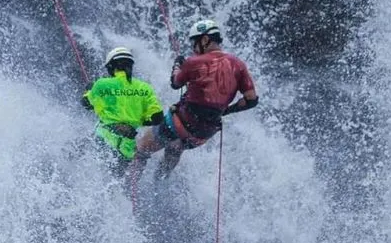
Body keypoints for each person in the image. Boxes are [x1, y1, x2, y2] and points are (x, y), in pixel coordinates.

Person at [135, 19, 258, 179]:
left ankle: (129, 188)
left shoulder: (194, 62)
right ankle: (160, 182)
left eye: (194, 43)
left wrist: (177, 65)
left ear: (205, 39)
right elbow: (251, 99)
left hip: (180, 122)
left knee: (141, 149)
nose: (193, 48)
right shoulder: (238, 64)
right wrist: (225, 111)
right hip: (204, 133)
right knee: (175, 146)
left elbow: (175, 83)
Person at [81, 47, 164, 177]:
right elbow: (157, 117)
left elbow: (86, 103)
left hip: (102, 140)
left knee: (75, 153)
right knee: (113, 181)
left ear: (111, 67)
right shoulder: (145, 88)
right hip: (126, 149)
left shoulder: (102, 84)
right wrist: (137, 120)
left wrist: (89, 89)